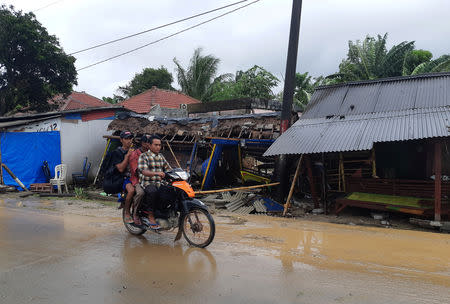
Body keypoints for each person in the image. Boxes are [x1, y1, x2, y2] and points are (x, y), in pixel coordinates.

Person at [138, 135, 172, 229]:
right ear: (149, 145)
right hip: (147, 182)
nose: (158, 147)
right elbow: (144, 171)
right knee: (153, 192)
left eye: (159, 145)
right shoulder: (143, 156)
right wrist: (157, 173)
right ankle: (151, 215)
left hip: (160, 183)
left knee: (171, 191)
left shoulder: (161, 156)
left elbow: (168, 168)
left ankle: (163, 213)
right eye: (156, 145)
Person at [128, 134, 152, 225]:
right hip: (137, 179)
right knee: (140, 193)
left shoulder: (152, 153)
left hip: (151, 178)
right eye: (148, 142)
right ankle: (135, 213)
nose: (150, 144)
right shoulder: (135, 154)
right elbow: (137, 171)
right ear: (143, 143)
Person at [110, 130, 134, 223]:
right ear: (121, 140)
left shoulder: (134, 151)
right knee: (131, 191)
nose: (129, 141)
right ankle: (127, 212)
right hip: (123, 177)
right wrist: (127, 156)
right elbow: (120, 169)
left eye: (130, 138)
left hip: (135, 177)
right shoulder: (117, 152)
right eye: (126, 139)